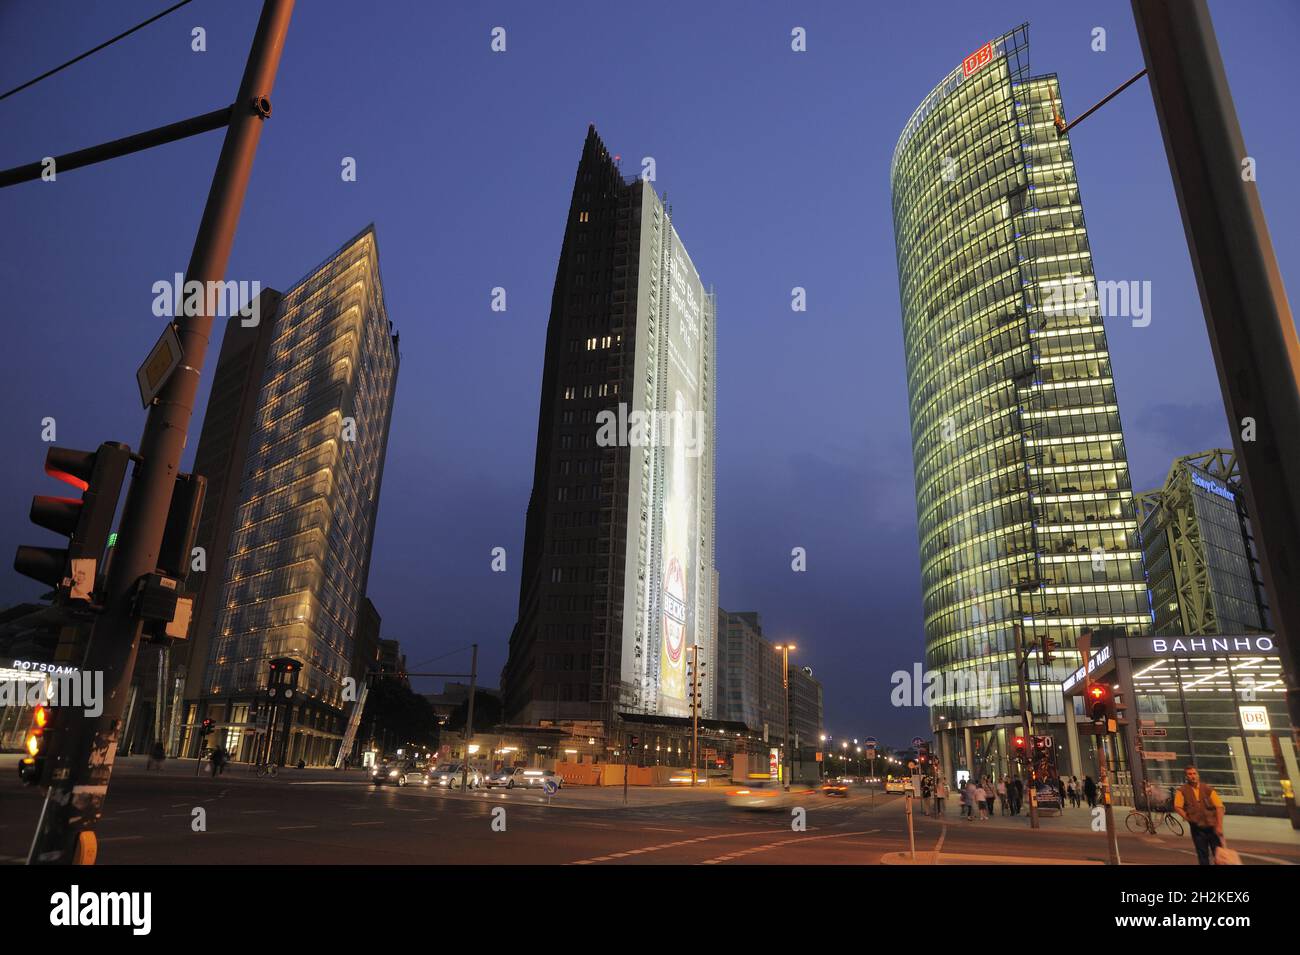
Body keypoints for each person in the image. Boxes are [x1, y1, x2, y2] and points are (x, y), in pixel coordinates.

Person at [1174, 765, 1225, 865]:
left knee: (1218, 854)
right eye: (1190, 774)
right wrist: (1187, 817)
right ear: (1186, 776)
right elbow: (1177, 806)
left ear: (1198, 775)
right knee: (1202, 854)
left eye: (1194, 773)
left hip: (1212, 827)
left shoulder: (1207, 788)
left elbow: (1219, 807)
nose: (1192, 776)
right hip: (1197, 828)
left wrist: (1219, 825)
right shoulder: (1182, 790)